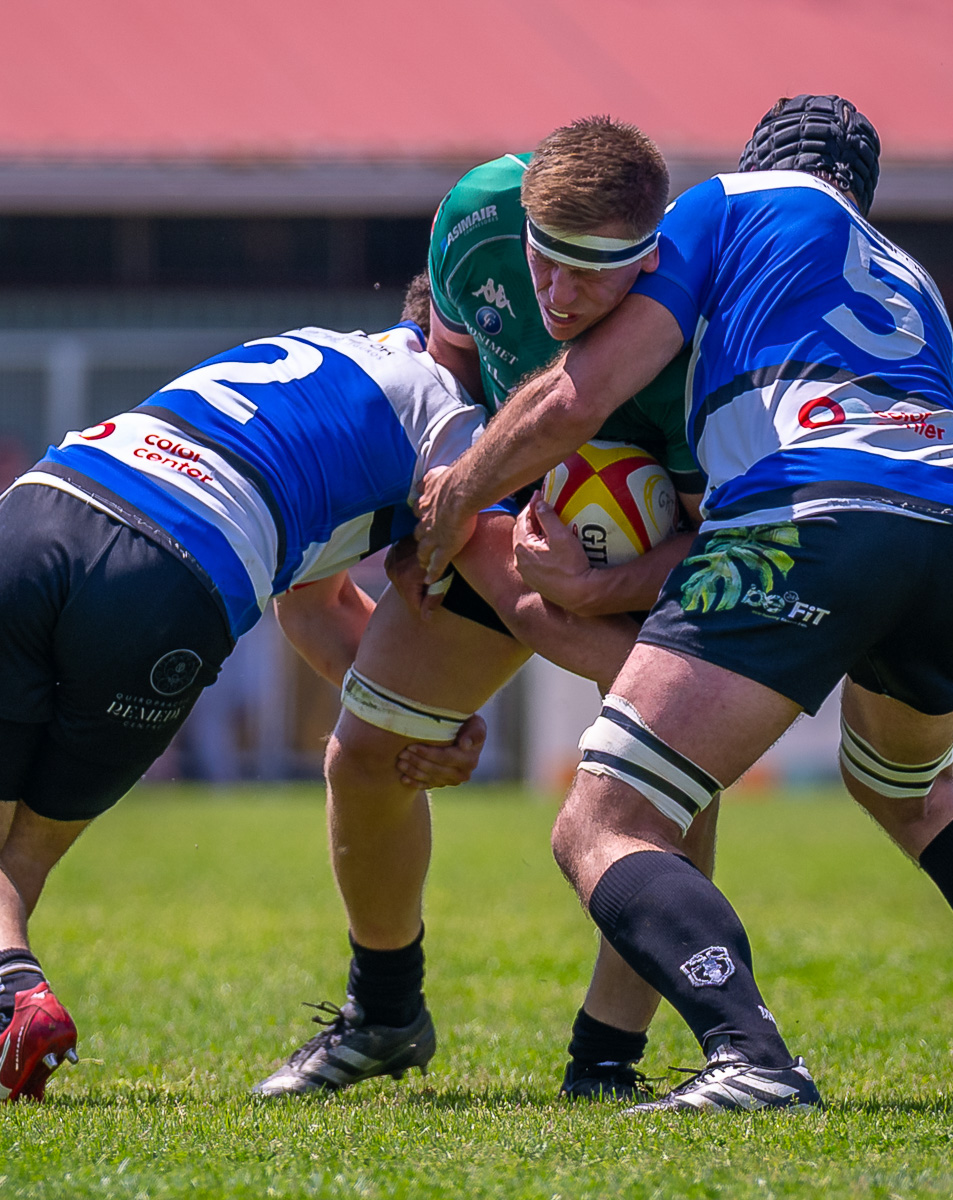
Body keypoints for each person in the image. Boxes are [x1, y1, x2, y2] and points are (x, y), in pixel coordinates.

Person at [415, 95, 953, 1112]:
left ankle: (750, 1058)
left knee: (605, 819)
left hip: (810, 513)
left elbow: (579, 396)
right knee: (918, 794)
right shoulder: (913, 278)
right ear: (862, 186)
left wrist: (461, 490)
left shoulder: (722, 206)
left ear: (757, 156)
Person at [0, 306, 541, 1101]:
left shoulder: (323, 352)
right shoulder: (457, 422)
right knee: (19, 852)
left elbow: (313, 604)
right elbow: (500, 588)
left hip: (49, 506)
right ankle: (2, 1005)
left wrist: (410, 719)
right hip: (175, 577)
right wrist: (436, 712)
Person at [252, 118, 711, 1101]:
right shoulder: (473, 217)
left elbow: (711, 540)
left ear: (652, 257)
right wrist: (463, 518)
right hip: (499, 511)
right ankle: (383, 1015)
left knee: (669, 779)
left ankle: (608, 1058)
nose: (557, 296)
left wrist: (592, 590)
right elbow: (451, 380)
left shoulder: (697, 334)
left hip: (651, 564)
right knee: (367, 753)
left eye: (593, 276)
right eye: (546, 263)